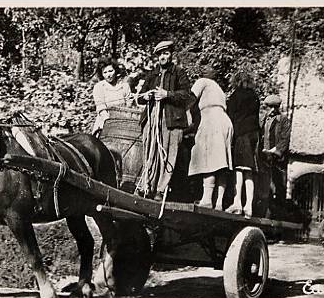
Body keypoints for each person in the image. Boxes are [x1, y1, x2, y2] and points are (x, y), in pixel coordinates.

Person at [137, 40, 196, 201]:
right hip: (152, 119)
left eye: (166, 53)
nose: (163, 57)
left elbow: (187, 96)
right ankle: (147, 186)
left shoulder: (179, 73)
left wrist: (167, 94)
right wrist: (146, 95)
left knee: (169, 155)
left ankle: (161, 190)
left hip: (172, 122)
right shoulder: (152, 74)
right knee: (150, 152)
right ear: (157, 56)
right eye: (160, 54)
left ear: (171, 55)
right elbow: (141, 97)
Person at [188, 74, 233, 210]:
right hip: (225, 120)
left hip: (211, 119)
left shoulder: (202, 82)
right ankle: (219, 202)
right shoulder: (219, 89)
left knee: (209, 160)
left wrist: (187, 114)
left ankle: (207, 199)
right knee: (221, 163)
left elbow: (189, 99)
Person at [225, 71, 260, 218]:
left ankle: (237, 203)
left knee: (239, 170)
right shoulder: (255, 96)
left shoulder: (236, 96)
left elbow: (230, 116)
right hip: (253, 135)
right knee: (249, 170)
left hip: (241, 135)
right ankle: (249, 206)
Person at [258, 94, 292, 216]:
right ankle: (264, 211)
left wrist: (275, 150)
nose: (271, 110)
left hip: (277, 160)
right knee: (264, 186)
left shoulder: (283, 120)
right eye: (268, 107)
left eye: (273, 107)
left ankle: (278, 215)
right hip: (264, 158)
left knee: (278, 187)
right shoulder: (263, 120)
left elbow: (284, 139)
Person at [91, 58, 132, 137]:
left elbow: (129, 104)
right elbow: (101, 107)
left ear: (115, 71)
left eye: (110, 71)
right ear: (102, 74)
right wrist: (110, 122)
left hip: (124, 122)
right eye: (105, 72)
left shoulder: (124, 86)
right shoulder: (99, 87)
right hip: (105, 123)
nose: (108, 75)